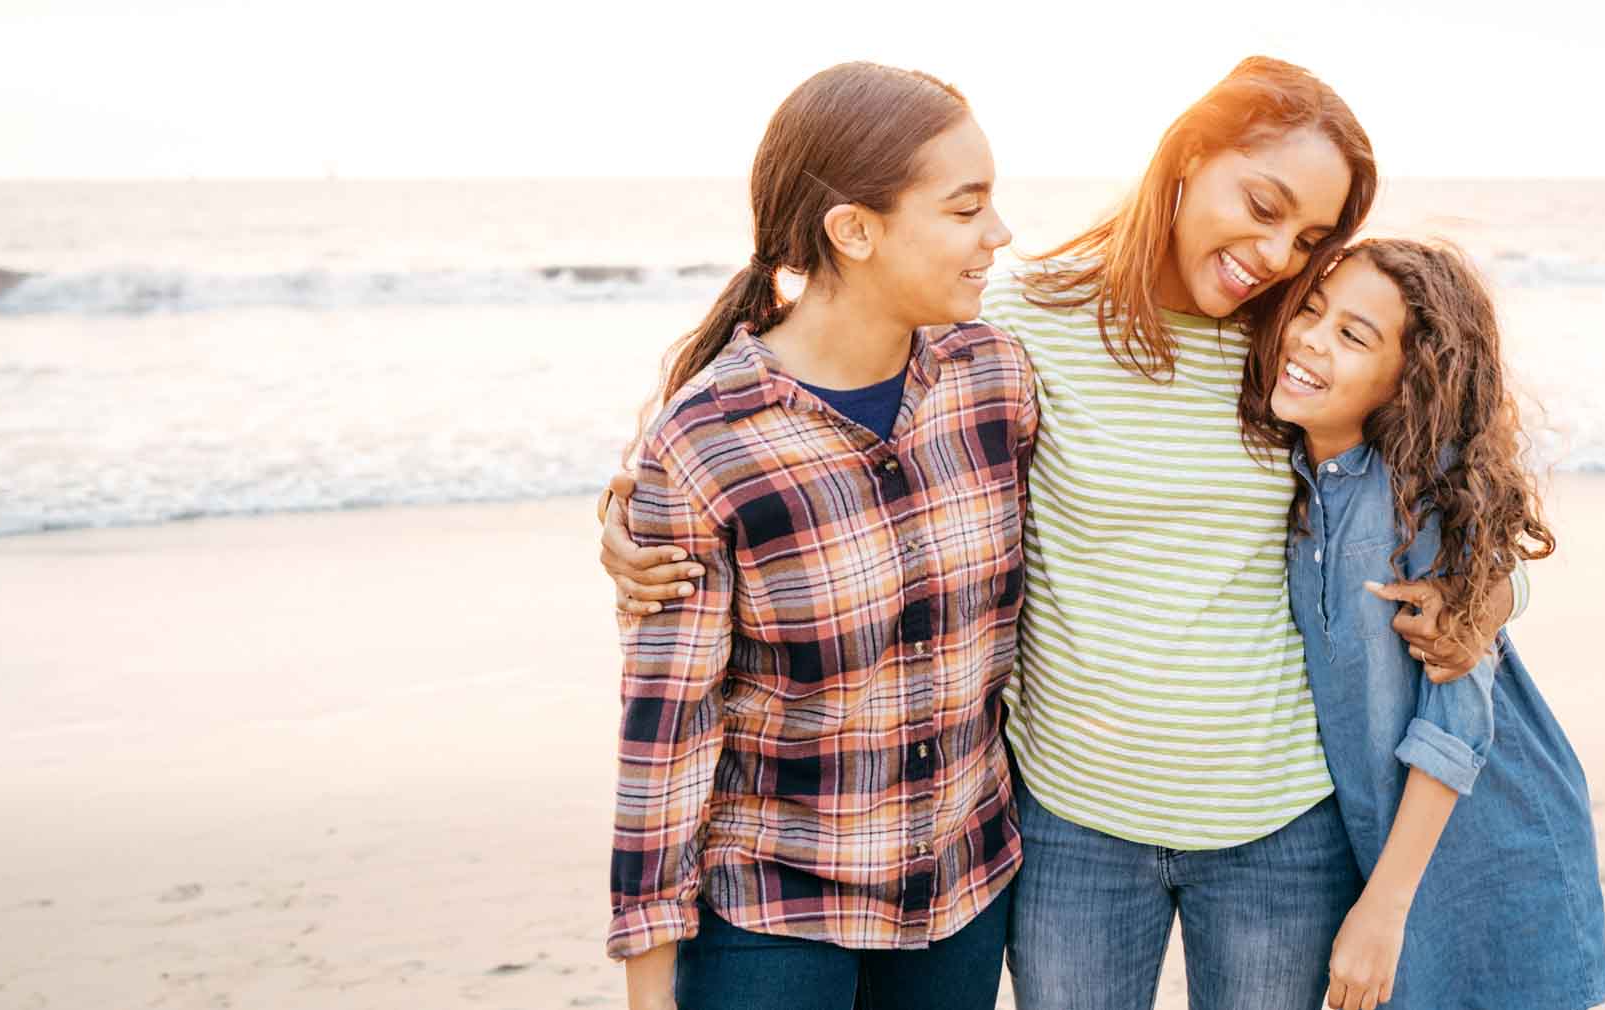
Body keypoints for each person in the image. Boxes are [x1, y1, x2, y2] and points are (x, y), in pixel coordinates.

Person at [601, 57, 1509, 1010]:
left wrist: (1490, 591)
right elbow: (821, 399)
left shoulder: (1297, 346)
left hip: (1274, 824)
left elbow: (1454, 501)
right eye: (1263, 204)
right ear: (1189, 158)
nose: (1279, 255)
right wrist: (631, 512)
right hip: (1071, 823)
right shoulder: (1013, 323)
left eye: (1311, 237)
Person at [603, 62, 1031, 1010]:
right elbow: (666, 732)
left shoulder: (996, 379)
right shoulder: (707, 440)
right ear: (854, 229)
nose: (999, 233)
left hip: (962, 896)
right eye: (967, 208)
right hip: (773, 918)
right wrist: (647, 989)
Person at [1263, 238, 1605, 1010]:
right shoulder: (1291, 473)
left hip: (1492, 851)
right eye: (1311, 311)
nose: (1313, 339)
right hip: (1385, 853)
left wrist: (1384, 910)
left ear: (1406, 380)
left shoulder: (1418, 497)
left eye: (1355, 335)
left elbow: (1457, 720)